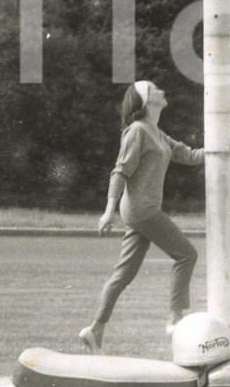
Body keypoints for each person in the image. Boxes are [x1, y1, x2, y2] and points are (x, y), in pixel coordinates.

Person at [79, 80, 203, 353]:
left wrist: (222, 151)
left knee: (124, 272)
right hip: (141, 210)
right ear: (145, 101)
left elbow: (189, 154)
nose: (161, 89)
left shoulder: (157, 132)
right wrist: (108, 211)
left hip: (140, 211)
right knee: (186, 255)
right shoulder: (137, 131)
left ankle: (95, 328)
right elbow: (120, 171)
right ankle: (174, 317)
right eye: (154, 89)